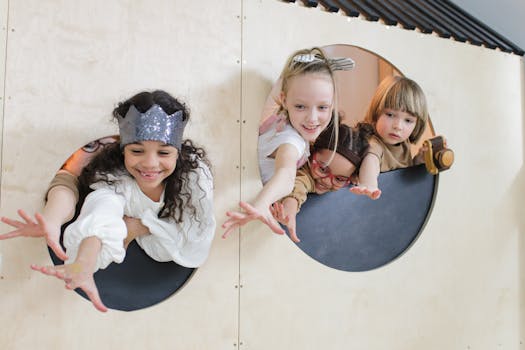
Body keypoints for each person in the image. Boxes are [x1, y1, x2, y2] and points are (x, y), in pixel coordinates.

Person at [0, 90, 215, 312]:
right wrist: (83, 263)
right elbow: (100, 214)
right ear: (123, 150)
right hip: (127, 258)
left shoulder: (194, 176)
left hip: (168, 262)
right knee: (102, 206)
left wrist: (139, 227)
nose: (150, 163)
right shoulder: (115, 179)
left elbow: (197, 235)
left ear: (178, 153)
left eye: (164, 153)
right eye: (137, 150)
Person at [222, 47, 354, 238]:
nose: (312, 118)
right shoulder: (291, 141)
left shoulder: (274, 119)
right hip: (240, 203)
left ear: (332, 104)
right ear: (284, 100)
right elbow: (286, 174)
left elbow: (281, 88)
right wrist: (261, 204)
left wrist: (315, 65)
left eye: (323, 107)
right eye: (300, 106)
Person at [271, 122, 373, 242]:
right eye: (323, 169)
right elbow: (299, 185)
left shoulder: (352, 180)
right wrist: (289, 210)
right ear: (311, 153)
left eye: (339, 179)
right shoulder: (306, 171)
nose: (327, 181)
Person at [349, 75, 429, 200]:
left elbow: (403, 173)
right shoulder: (375, 143)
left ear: (417, 124)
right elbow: (371, 161)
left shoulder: (403, 143)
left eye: (408, 120)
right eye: (390, 115)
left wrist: (418, 161)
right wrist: (369, 184)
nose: (398, 126)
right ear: (377, 112)